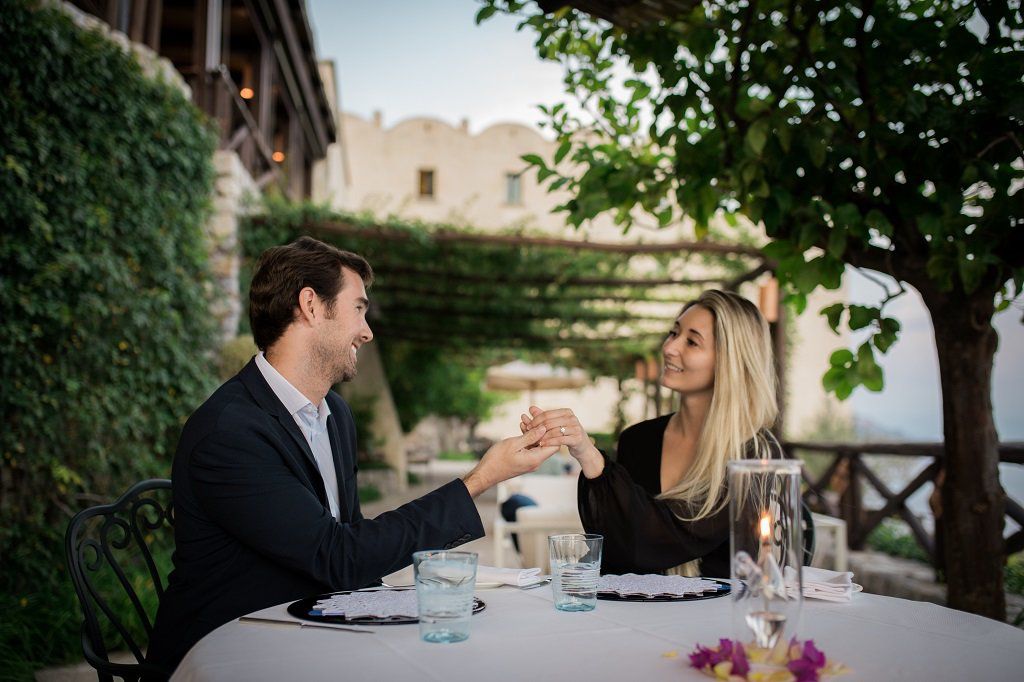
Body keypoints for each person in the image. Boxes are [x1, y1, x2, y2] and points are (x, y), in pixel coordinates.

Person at [147, 237, 559, 675]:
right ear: (310, 305)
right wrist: (480, 480)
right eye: (358, 309)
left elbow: (355, 544)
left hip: (312, 634)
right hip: (233, 652)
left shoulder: (334, 415)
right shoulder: (230, 431)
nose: (367, 330)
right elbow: (338, 557)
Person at [521, 290, 781, 578]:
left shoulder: (753, 453)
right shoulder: (638, 440)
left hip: (714, 615)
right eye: (674, 333)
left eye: (692, 342)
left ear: (731, 361)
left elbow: (660, 541)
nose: (670, 348)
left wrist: (591, 456)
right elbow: (616, 545)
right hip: (631, 611)